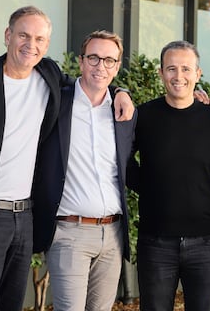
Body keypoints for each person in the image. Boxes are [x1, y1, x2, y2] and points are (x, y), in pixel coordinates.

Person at [0, 6, 134, 311]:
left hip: (25, 217)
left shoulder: (48, 75)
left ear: (47, 45)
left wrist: (120, 91)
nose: (31, 44)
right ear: (8, 36)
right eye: (23, 35)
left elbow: (93, 80)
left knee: (11, 304)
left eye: (39, 38)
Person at [32, 30, 136, 311]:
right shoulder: (56, 102)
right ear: (80, 61)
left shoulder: (123, 113)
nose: (100, 67)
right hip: (69, 232)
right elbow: (38, 62)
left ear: (117, 66)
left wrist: (120, 91)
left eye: (109, 61)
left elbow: (129, 165)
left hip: (113, 233)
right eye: (93, 58)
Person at [127, 40, 210, 311]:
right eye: (171, 68)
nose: (179, 76)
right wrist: (150, 187)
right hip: (156, 241)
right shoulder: (143, 117)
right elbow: (122, 161)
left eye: (186, 69)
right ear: (161, 73)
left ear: (198, 74)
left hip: (206, 242)